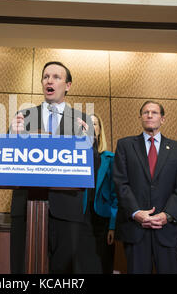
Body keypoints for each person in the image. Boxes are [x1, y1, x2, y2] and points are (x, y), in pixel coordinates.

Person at [10, 61, 94, 273]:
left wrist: (86, 144)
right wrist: (12, 137)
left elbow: (89, 165)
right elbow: (10, 159)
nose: (50, 80)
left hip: (66, 207)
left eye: (56, 77)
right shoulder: (23, 117)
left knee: (65, 271)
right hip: (27, 205)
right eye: (46, 76)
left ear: (68, 86)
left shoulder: (82, 120)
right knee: (24, 268)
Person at [112, 101, 177, 274]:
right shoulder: (125, 146)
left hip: (168, 230)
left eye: (154, 112)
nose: (149, 115)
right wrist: (136, 212)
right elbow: (120, 183)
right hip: (135, 229)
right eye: (145, 112)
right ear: (140, 117)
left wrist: (167, 215)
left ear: (162, 119)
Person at [77, 113, 118, 273]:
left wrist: (113, 226)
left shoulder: (110, 159)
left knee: (100, 265)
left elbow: (116, 196)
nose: (90, 128)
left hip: (101, 221)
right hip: (79, 217)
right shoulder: (74, 156)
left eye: (94, 124)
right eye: (85, 125)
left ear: (100, 130)